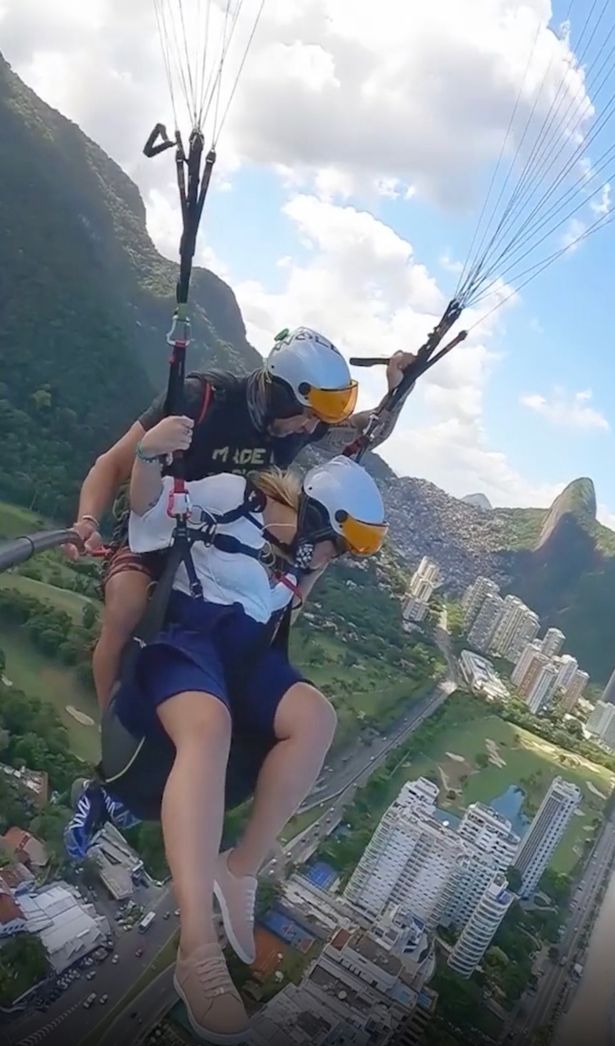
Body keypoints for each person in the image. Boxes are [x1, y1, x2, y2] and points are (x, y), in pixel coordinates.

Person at [107, 416, 388, 1044]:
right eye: (334, 549)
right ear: (317, 519)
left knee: (317, 717)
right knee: (208, 727)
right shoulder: (235, 497)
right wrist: (151, 453)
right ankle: (196, 952)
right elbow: (152, 513)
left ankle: (240, 867)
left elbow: (282, 606)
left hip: (248, 654)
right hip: (189, 634)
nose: (330, 561)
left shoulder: (297, 560)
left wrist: (308, 570)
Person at [65, 326, 415, 705]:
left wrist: (400, 390)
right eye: (308, 416)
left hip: (228, 547)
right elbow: (112, 464)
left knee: (260, 625)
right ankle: (111, 724)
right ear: (281, 395)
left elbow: (369, 431)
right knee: (128, 603)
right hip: (158, 526)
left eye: (317, 419)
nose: (312, 427)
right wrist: (87, 520)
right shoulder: (205, 400)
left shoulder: (295, 425)